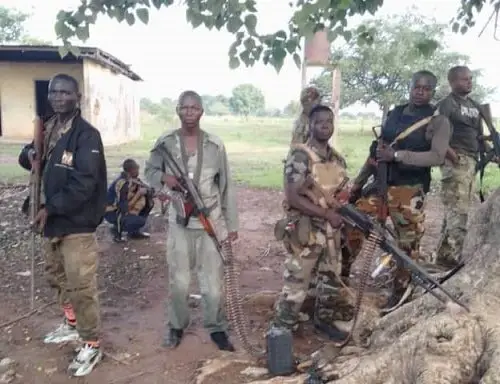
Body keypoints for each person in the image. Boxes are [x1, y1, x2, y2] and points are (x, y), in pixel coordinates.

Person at [18, 73, 107, 377]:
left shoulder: (86, 135)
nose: (58, 97)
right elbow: (27, 155)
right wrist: (29, 153)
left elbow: (84, 183)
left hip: (76, 223)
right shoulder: (49, 126)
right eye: (54, 92)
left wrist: (50, 208)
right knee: (56, 276)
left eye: (65, 92)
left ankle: (92, 343)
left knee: (81, 285)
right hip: (49, 219)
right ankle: (71, 325)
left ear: (77, 97)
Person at [347, 70, 451, 307]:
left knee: (408, 245)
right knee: (352, 226)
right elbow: (376, 151)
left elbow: (437, 156)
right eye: (417, 87)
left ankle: (400, 293)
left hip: (409, 191)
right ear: (410, 87)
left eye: (426, 89)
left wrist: (397, 155)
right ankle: (341, 280)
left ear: (432, 92)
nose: (420, 92)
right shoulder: (395, 113)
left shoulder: (438, 121)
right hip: (381, 185)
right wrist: (359, 183)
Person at [144, 90, 239, 351]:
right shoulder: (165, 143)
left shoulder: (215, 146)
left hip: (210, 220)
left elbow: (227, 186)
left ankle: (216, 327)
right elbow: (149, 171)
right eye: (184, 108)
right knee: (179, 281)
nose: (189, 112)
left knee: (212, 282)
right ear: (177, 110)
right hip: (179, 221)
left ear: (201, 112)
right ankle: (176, 326)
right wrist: (166, 179)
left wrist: (231, 226)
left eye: (194, 108)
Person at [273, 104, 350, 341]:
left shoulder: (337, 159)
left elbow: (341, 194)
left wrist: (340, 211)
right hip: (306, 229)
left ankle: (324, 320)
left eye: (329, 121)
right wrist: (326, 214)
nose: (325, 126)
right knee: (297, 281)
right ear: (311, 125)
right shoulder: (300, 156)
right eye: (320, 122)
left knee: (330, 278)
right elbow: (293, 196)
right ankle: (282, 328)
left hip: (330, 231)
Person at [434, 66, 488, 268]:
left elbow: (479, 137)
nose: (469, 82)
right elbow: (434, 133)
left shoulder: (474, 105)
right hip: (457, 162)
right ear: (453, 82)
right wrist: (452, 155)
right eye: (465, 79)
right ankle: (454, 260)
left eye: (470, 79)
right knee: (459, 214)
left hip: (471, 162)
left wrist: (492, 153)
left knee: (456, 214)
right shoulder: (447, 104)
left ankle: (444, 259)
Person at [105, 158, 154, 242]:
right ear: (131, 170)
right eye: (137, 168)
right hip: (112, 212)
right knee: (139, 220)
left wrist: (150, 192)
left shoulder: (133, 180)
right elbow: (123, 208)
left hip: (121, 209)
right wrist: (138, 194)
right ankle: (117, 232)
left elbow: (150, 190)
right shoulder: (122, 184)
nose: (138, 171)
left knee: (149, 201)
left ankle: (134, 232)